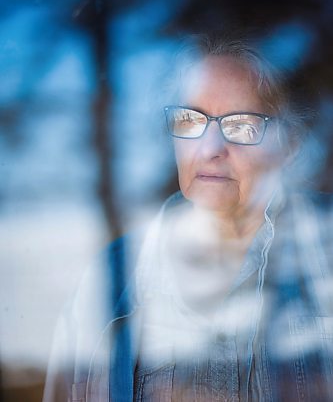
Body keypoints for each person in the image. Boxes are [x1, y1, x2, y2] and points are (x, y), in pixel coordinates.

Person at [43, 33, 333, 402]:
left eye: (241, 124)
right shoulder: (116, 273)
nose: (210, 149)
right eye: (190, 120)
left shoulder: (324, 251)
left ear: (287, 144)